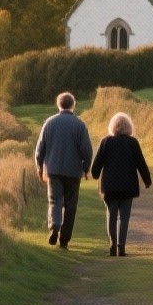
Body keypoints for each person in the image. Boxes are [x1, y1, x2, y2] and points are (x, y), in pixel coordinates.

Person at [33, 91, 92, 250]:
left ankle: (54, 227)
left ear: (58, 105)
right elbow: (87, 150)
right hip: (73, 172)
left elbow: (40, 149)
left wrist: (40, 167)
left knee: (54, 201)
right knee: (71, 205)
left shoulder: (49, 123)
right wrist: (86, 168)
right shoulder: (80, 125)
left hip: (53, 170)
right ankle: (65, 240)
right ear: (73, 105)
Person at [89, 112, 152, 257]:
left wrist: (95, 174)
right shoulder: (132, 142)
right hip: (128, 185)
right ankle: (121, 246)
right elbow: (141, 163)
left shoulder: (106, 141)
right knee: (124, 216)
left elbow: (97, 165)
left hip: (109, 186)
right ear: (129, 127)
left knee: (111, 215)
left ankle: (112, 244)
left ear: (112, 126)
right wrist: (147, 180)